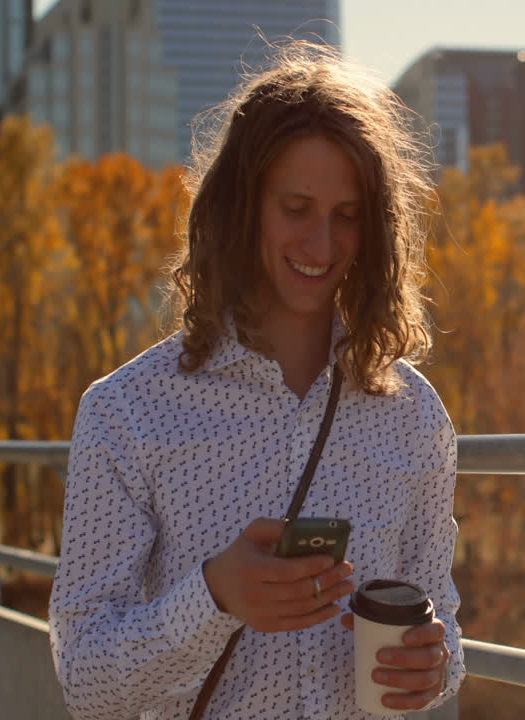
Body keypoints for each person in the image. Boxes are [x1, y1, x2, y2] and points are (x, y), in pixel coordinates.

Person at [48, 43, 464, 719]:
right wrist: (213, 597)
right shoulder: (126, 412)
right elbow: (87, 682)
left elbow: (439, 621)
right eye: (296, 207)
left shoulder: (414, 417)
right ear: (240, 209)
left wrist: (434, 666)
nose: (321, 245)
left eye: (347, 215)